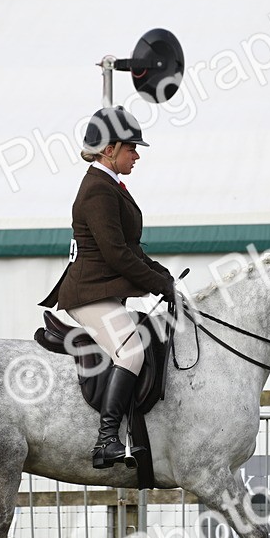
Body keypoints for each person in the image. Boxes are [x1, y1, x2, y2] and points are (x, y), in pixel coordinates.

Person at [39, 106, 176, 469]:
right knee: (131, 351)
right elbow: (116, 255)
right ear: (110, 148)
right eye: (132, 147)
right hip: (89, 293)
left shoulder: (109, 185)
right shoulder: (97, 190)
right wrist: (156, 283)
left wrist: (163, 276)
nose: (137, 154)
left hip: (102, 290)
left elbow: (130, 248)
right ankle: (106, 440)